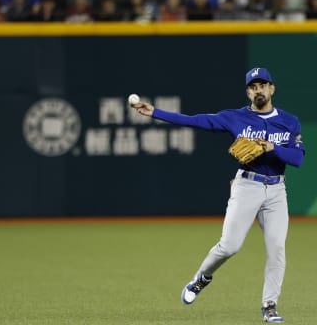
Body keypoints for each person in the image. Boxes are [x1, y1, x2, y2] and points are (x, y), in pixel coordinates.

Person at [130, 67, 305, 323]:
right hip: (247, 185)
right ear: (248, 92)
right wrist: (155, 113)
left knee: (277, 248)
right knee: (230, 246)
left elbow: (298, 158)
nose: (258, 90)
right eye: (253, 86)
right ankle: (201, 278)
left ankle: (270, 304)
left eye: (262, 85)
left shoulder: (290, 121)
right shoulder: (234, 118)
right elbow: (194, 120)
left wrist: (271, 147)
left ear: (272, 88)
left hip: (277, 189)